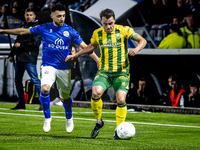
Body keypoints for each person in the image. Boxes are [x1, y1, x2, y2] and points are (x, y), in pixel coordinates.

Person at [0, 4, 99, 134]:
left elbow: (85, 47)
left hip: (64, 68)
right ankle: (47, 117)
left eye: (63, 16)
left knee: (65, 97)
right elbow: (23, 31)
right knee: (45, 88)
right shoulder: (44, 28)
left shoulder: (70, 30)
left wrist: (97, 60)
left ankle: (69, 116)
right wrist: (3, 31)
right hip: (48, 66)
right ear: (52, 15)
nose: (62, 18)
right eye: (59, 16)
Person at [66, 8, 147, 139]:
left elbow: (143, 40)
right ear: (102, 22)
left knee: (121, 99)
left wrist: (136, 49)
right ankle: (99, 122)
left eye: (110, 23)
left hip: (122, 72)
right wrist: (77, 54)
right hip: (104, 71)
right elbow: (91, 47)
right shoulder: (97, 33)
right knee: (95, 92)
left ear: (114, 20)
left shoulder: (124, 30)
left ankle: (119, 130)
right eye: (105, 24)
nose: (108, 26)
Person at [8, 8, 42, 110]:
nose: (28, 17)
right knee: (18, 82)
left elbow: (35, 43)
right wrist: (11, 54)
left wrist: (21, 45)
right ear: (24, 16)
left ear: (34, 16)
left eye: (30, 15)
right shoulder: (22, 26)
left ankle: (43, 103)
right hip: (19, 58)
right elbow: (16, 42)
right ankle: (21, 103)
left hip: (29, 58)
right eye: (27, 15)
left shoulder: (37, 28)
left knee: (35, 81)